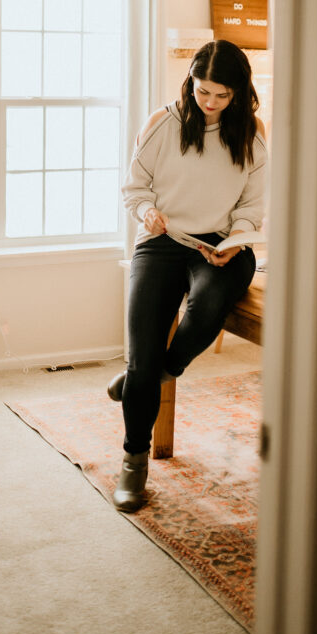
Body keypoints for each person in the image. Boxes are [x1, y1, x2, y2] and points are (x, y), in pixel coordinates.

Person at [110, 39, 267, 512]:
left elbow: (254, 206)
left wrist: (235, 237)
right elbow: (134, 188)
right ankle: (134, 464)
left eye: (222, 95)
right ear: (190, 84)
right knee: (142, 349)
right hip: (163, 242)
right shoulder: (163, 123)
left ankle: (154, 376)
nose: (211, 103)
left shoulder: (251, 132)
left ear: (238, 92)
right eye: (203, 93)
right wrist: (148, 213)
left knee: (205, 309)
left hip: (221, 247)